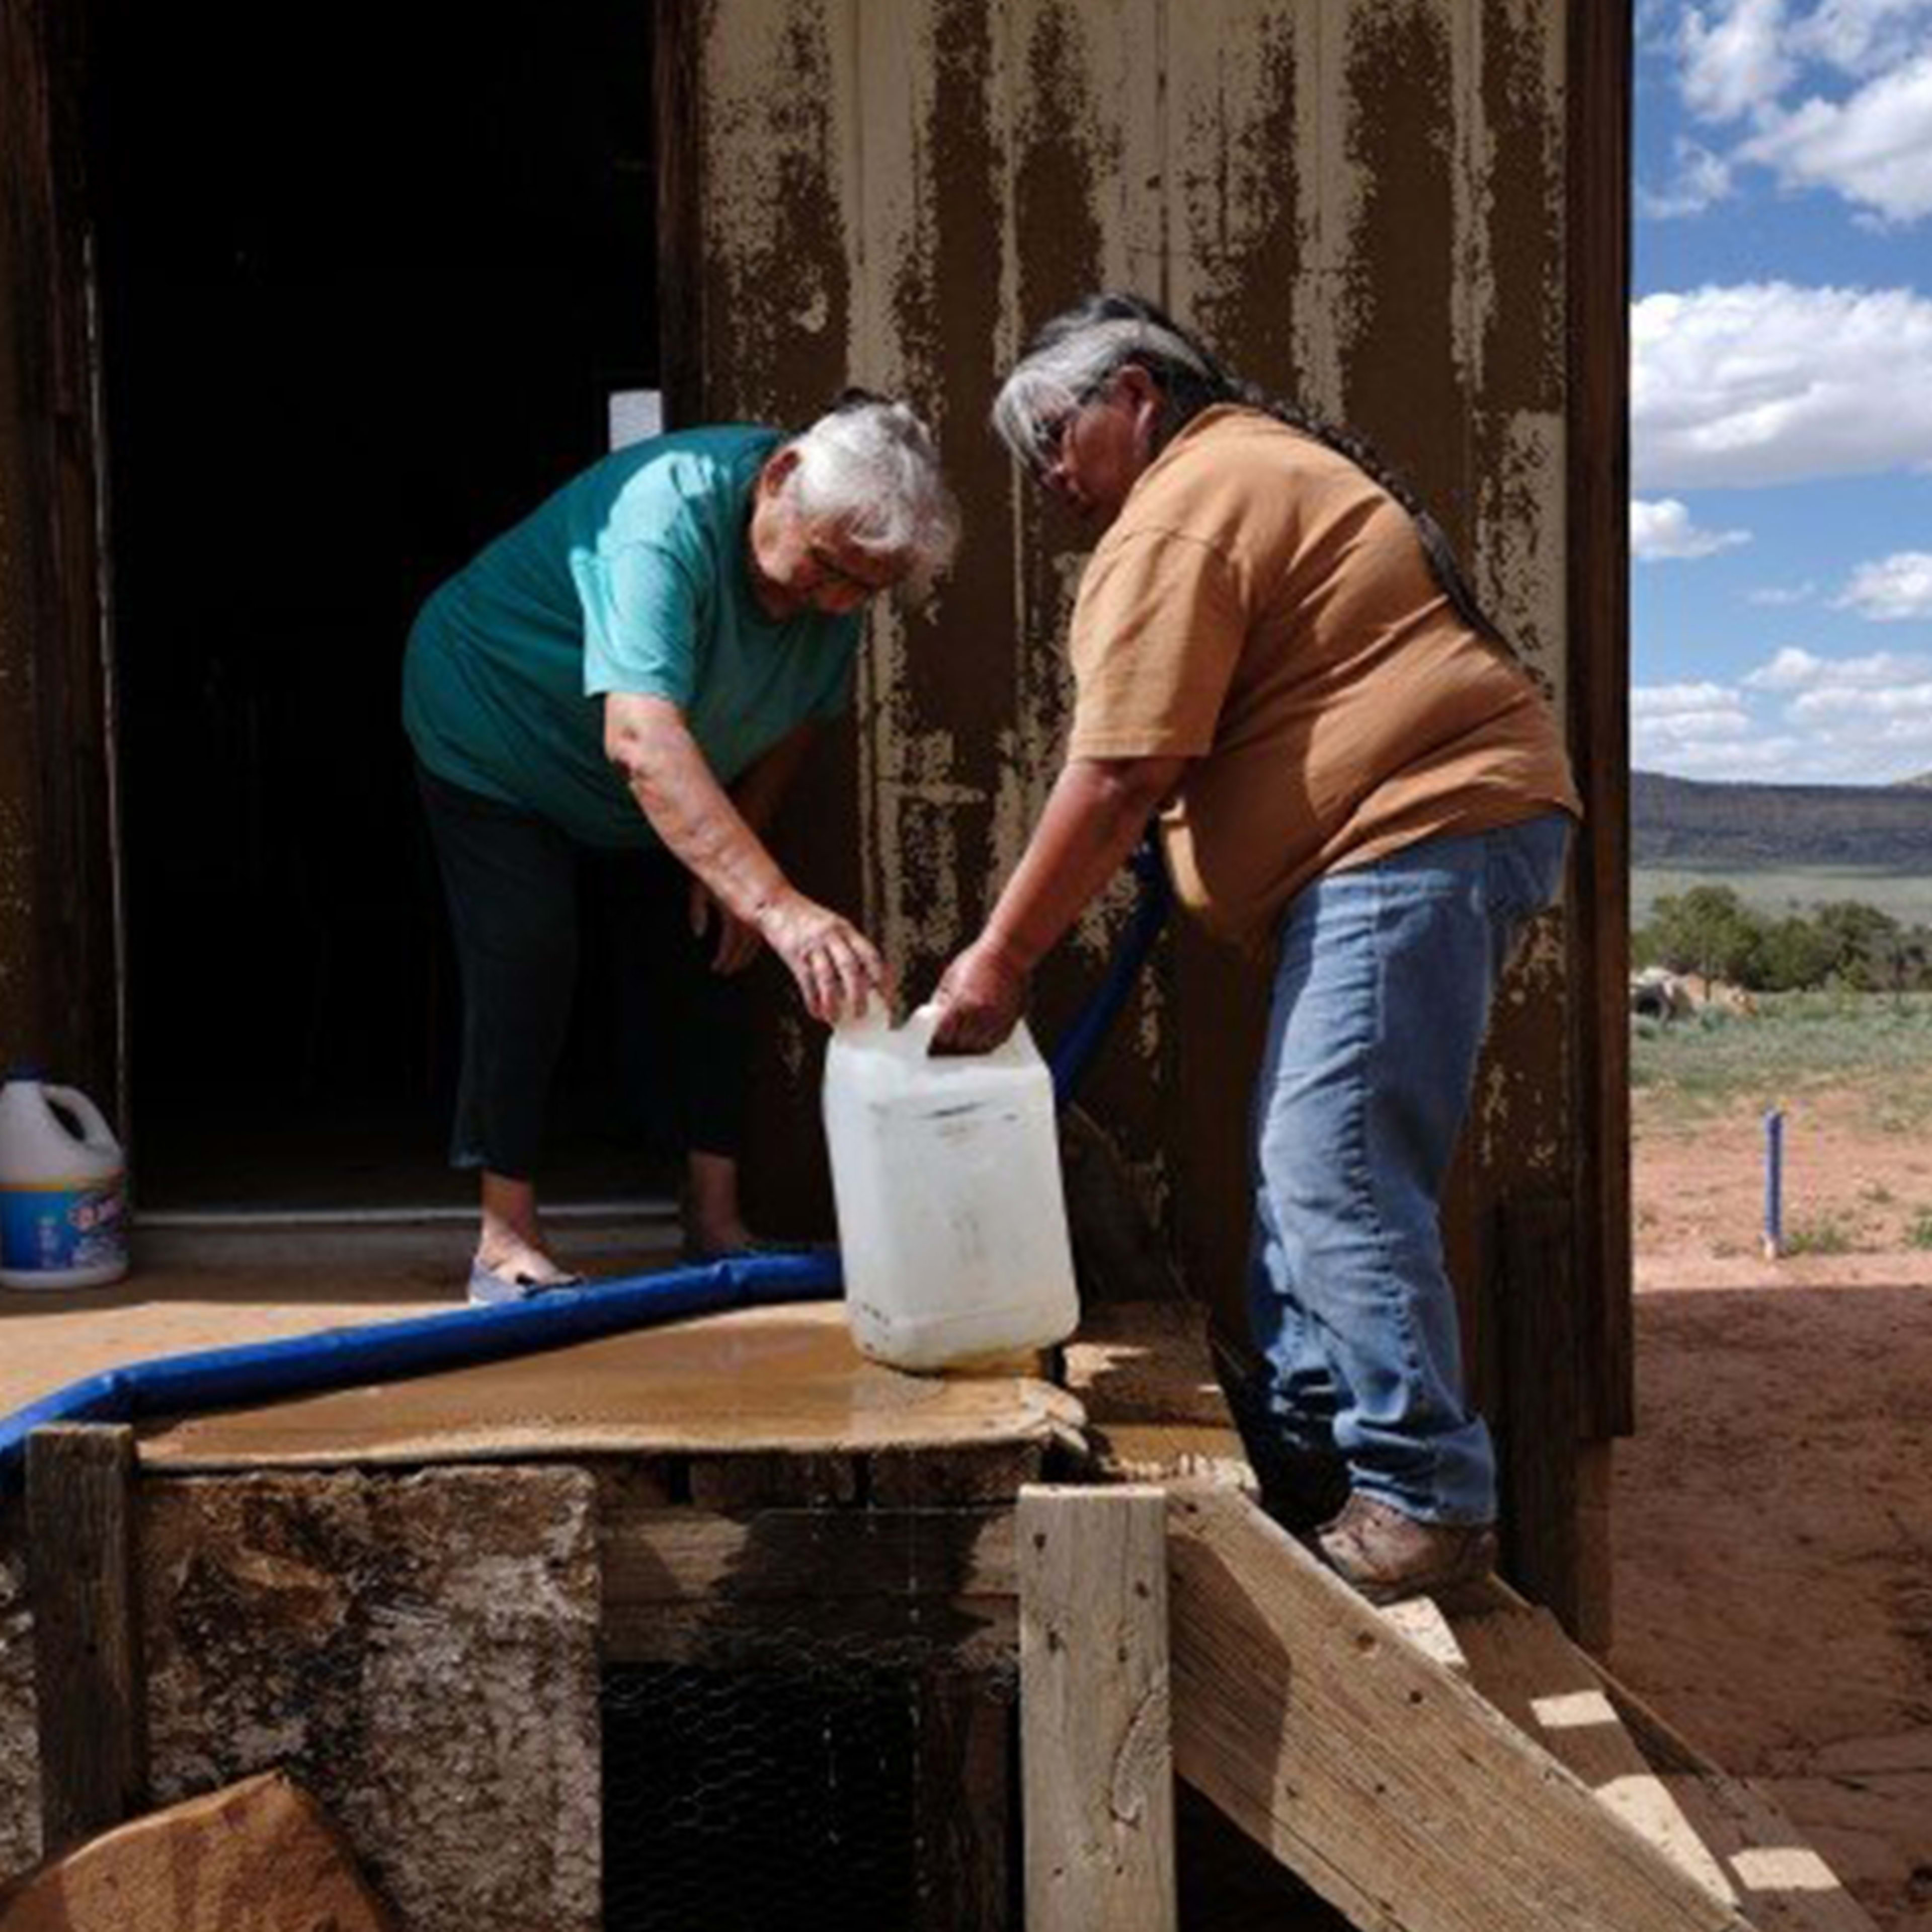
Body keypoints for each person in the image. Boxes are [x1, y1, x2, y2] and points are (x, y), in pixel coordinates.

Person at [929, 295, 1579, 1602]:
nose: (1049, 474)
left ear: (1136, 396)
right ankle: (1313, 1483)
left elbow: (1117, 777)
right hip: (1406, 844)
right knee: (1302, 1178)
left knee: (1328, 1164)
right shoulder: (1237, 480)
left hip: (1413, 831)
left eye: (1056, 434)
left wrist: (996, 958)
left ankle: (1424, 1496)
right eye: (1030, 457)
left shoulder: (1184, 505)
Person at [405, 393, 958, 1304]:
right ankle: (505, 1236)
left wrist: (747, 859)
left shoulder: (841, 565)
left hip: (651, 772)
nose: (835, 602)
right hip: (496, 730)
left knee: (719, 942)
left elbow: (798, 717)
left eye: (865, 589)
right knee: (529, 948)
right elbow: (641, 740)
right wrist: (778, 902)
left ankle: (715, 1221)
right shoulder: (665, 517)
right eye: (826, 571)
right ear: (779, 479)